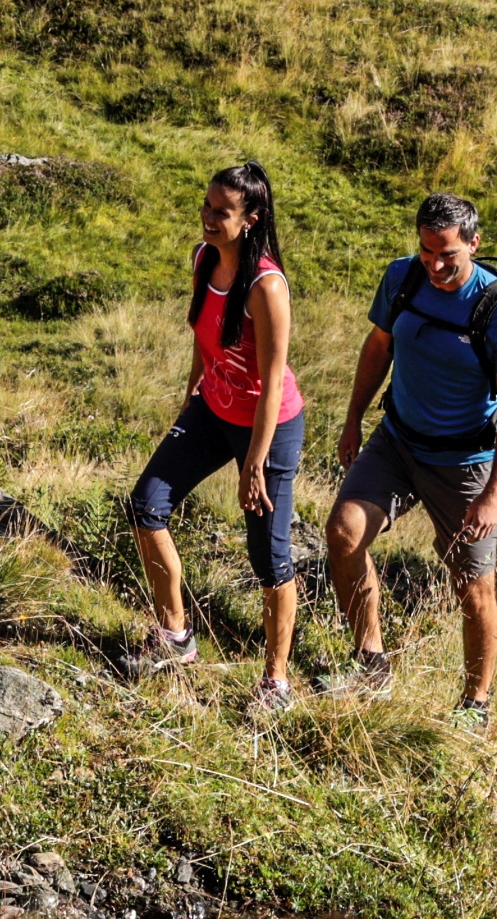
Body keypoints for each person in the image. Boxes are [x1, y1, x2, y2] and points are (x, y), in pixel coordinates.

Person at [323, 192, 497, 729]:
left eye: (448, 256)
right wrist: (354, 418)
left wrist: (493, 495)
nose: (436, 266)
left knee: (472, 584)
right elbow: (378, 348)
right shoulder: (403, 279)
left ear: (474, 244)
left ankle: (476, 705)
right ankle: (370, 662)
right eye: (426, 252)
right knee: (343, 533)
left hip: (465, 461)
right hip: (397, 440)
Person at [125, 162, 305, 714]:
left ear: (250, 220)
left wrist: (253, 463)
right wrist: (190, 397)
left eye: (221, 212)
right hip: (213, 407)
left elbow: (273, 380)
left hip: (267, 427)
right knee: (145, 506)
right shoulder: (204, 259)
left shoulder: (266, 286)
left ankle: (276, 682)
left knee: (268, 557)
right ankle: (176, 636)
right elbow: (204, 341)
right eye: (206, 205)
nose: (207, 218)